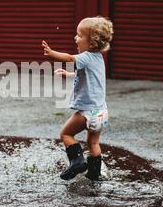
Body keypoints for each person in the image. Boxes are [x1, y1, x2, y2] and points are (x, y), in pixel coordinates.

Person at [42, 16, 114, 181]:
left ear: (92, 43)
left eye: (79, 35)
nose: (75, 38)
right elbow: (88, 76)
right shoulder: (98, 58)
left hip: (87, 112)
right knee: (93, 143)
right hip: (101, 112)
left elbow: (68, 58)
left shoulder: (87, 56)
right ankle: (94, 174)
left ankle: (77, 162)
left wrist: (52, 54)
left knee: (66, 134)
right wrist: (68, 74)